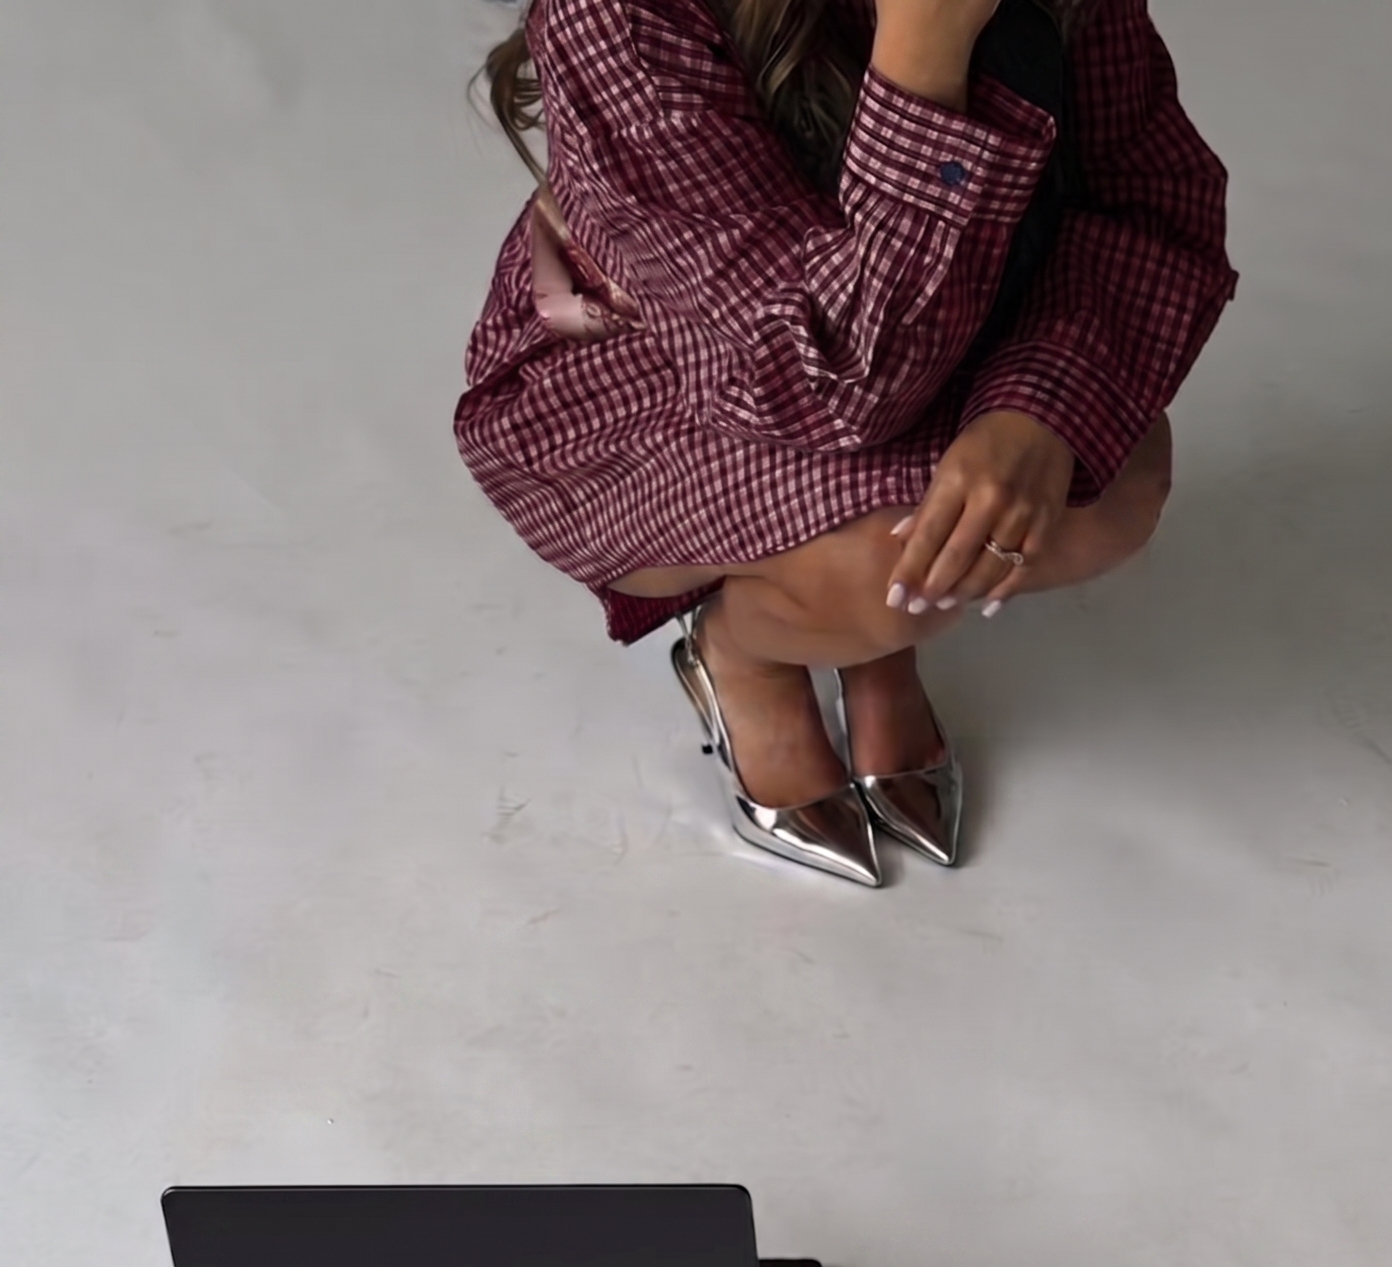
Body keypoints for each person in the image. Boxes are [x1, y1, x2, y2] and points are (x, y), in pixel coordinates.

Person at [456, 0, 1236, 883]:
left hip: (931, 327)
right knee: (884, 558)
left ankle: (871, 649)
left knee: (1111, 485)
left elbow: (1147, 200)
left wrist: (1031, 410)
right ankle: (746, 656)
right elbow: (820, 384)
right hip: (667, 380)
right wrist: (924, 53)